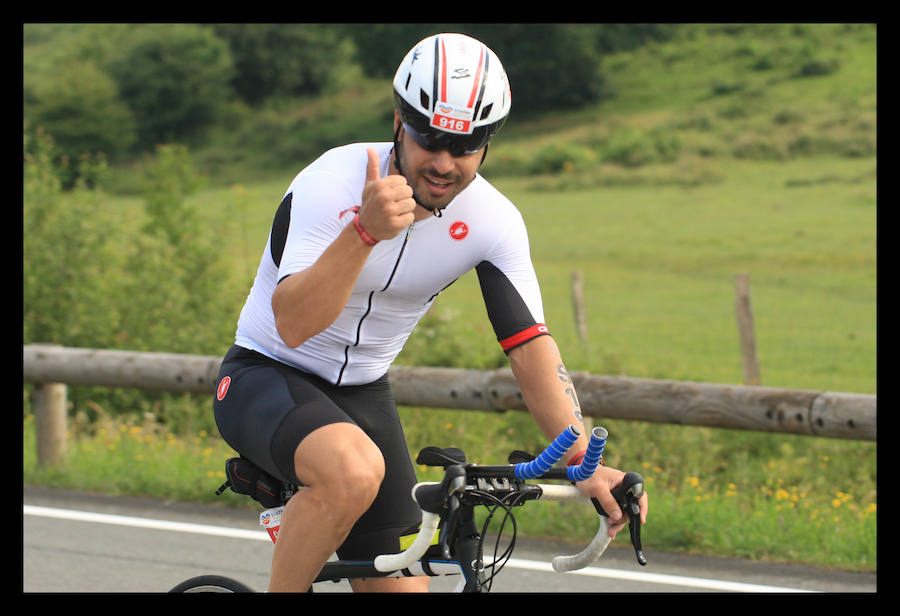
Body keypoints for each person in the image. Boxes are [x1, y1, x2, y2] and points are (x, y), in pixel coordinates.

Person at [213, 32, 649, 593]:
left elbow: (531, 348)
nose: (444, 163)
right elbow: (293, 326)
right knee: (352, 471)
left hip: (363, 396)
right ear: (399, 121)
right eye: (430, 139)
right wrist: (364, 232)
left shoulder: (493, 220)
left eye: (464, 146)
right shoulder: (332, 181)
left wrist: (585, 462)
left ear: (487, 143)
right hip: (264, 375)